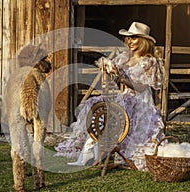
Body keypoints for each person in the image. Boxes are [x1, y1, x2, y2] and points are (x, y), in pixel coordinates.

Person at [55, 22, 165, 171]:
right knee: (94, 106)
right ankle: (91, 151)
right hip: (126, 95)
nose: (130, 42)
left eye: (134, 38)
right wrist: (109, 70)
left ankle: (98, 151)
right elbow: (116, 76)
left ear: (143, 40)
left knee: (114, 113)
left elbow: (142, 87)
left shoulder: (148, 61)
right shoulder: (126, 57)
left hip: (140, 100)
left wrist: (122, 79)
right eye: (129, 38)